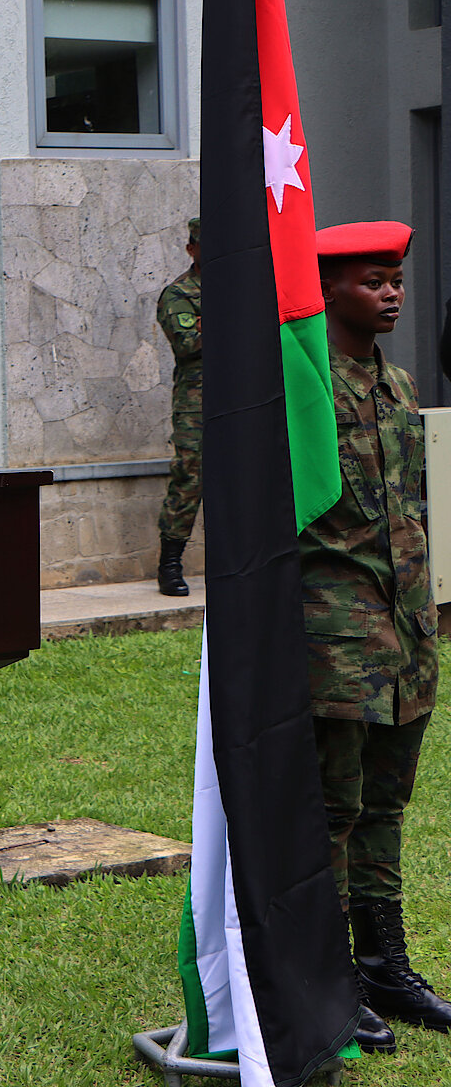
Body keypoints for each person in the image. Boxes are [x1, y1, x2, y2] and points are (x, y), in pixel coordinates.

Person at [301, 220, 445, 1052]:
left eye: (395, 280)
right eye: (372, 280)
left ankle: (384, 963)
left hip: (406, 629)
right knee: (334, 809)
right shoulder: (304, 389)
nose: (391, 294)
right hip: (337, 635)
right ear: (326, 290)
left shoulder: (397, 385)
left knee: (387, 804)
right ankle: (330, 978)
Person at [155, 216, 202, 596]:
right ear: (191, 249)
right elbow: (188, 343)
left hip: (244, 400)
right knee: (190, 480)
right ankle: (170, 564)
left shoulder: (246, 288)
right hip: (197, 405)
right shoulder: (178, 293)